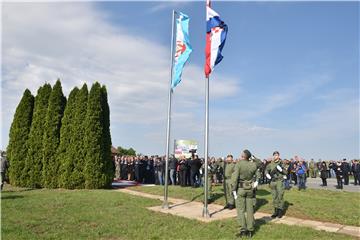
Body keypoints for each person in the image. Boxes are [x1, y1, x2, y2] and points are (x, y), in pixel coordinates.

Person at [231, 149, 260, 238]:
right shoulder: (253, 164)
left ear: (243, 156)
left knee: (240, 210)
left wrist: (233, 190)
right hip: (250, 188)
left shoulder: (239, 164)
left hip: (241, 188)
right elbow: (258, 173)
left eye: (242, 154)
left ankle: (243, 229)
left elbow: (234, 178)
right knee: (250, 210)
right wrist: (257, 182)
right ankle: (250, 230)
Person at [265, 151, 287, 218]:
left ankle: (280, 211)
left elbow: (286, 172)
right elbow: (266, 170)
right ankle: (275, 211)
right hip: (272, 182)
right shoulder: (270, 164)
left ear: (279, 156)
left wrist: (281, 170)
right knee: (274, 197)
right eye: (274, 155)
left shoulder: (282, 163)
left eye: (276, 155)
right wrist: (267, 174)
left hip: (279, 181)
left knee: (280, 196)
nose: (275, 156)